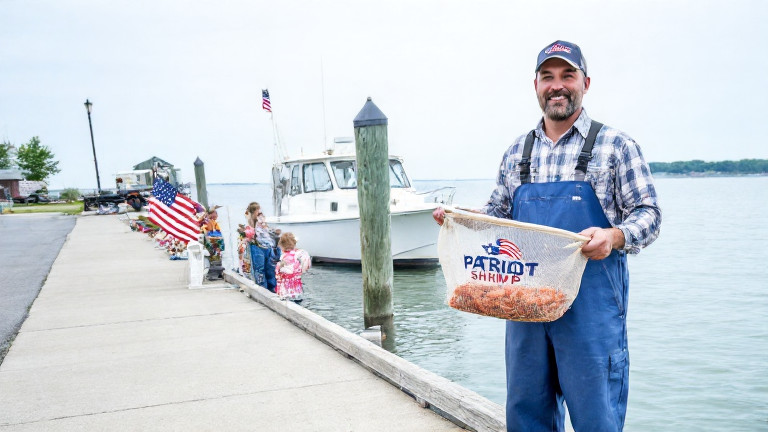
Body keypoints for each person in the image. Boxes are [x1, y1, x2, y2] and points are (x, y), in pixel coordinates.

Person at [433, 40, 661, 431]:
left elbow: (649, 214)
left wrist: (615, 235)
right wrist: (464, 218)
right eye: (548, 77)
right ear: (535, 86)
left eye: (567, 75)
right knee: (526, 412)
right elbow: (499, 214)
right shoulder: (516, 152)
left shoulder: (616, 146)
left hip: (591, 312)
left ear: (585, 83)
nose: (557, 86)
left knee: (597, 417)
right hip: (523, 304)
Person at [243, 202, 281, 292]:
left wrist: (275, 232)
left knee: (270, 268)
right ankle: (262, 287)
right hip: (258, 246)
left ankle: (272, 287)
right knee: (260, 269)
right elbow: (251, 232)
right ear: (253, 212)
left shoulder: (262, 221)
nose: (259, 212)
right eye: (257, 210)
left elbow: (268, 230)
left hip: (267, 246)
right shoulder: (251, 222)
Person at [275, 232, 311, 302]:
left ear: (282, 246)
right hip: (297, 290)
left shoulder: (284, 257)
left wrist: (278, 267)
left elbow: (279, 273)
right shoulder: (297, 255)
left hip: (287, 290)